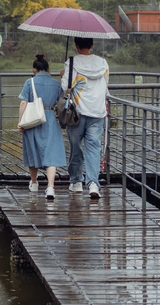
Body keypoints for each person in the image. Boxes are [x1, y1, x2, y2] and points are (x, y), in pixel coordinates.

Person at [61, 37, 109, 199]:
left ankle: (76, 182)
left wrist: (63, 75)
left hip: (77, 113)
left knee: (76, 147)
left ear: (76, 45)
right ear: (92, 44)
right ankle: (93, 183)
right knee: (94, 148)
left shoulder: (72, 63)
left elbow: (65, 87)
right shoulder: (103, 63)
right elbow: (105, 85)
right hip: (98, 112)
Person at [18, 54, 66, 200]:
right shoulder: (56, 84)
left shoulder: (29, 82)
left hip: (33, 119)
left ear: (34, 70)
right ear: (48, 68)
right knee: (51, 152)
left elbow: (23, 103)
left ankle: (34, 183)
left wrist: (20, 121)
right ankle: (50, 187)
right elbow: (62, 103)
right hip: (50, 117)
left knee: (32, 150)